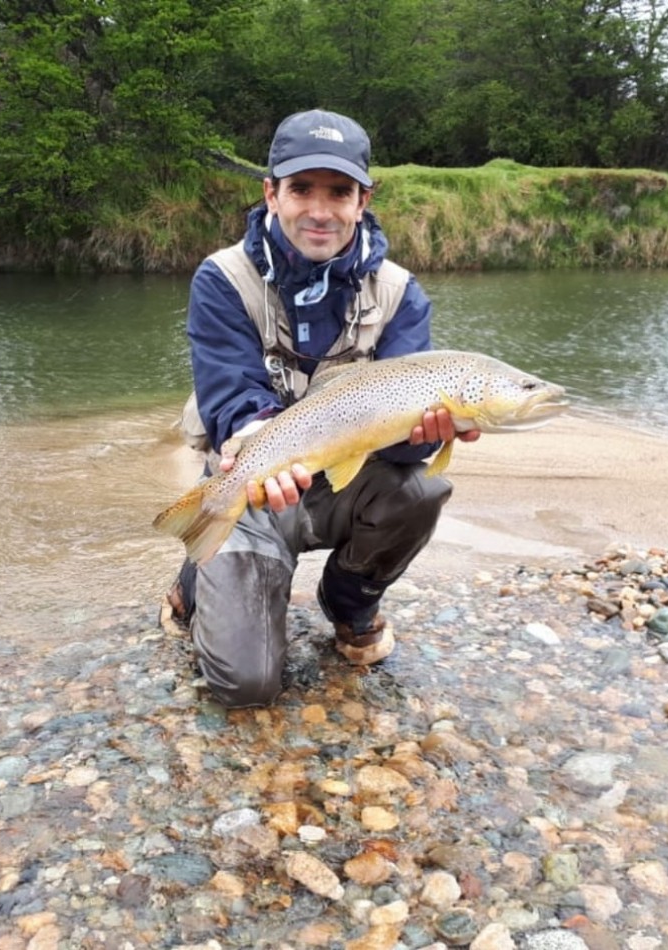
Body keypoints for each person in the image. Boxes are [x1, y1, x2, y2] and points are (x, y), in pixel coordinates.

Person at [163, 108, 479, 709]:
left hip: (348, 481)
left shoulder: (399, 293)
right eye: (301, 189)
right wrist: (258, 447)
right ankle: (196, 575)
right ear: (270, 193)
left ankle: (352, 607)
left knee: (422, 490)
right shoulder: (222, 278)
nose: (318, 209)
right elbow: (230, 392)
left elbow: (400, 445)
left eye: (338, 192)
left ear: (363, 200)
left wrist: (428, 437)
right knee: (246, 688)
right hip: (256, 481)